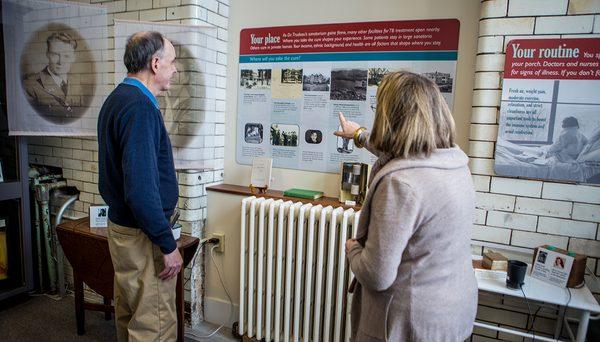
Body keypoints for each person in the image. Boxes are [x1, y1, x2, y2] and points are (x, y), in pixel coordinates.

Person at [335, 71, 477, 341]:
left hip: (408, 322)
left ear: (393, 117)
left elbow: (377, 275)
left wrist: (353, 250)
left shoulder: (401, 184)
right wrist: (359, 135)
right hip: (451, 312)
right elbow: (401, 153)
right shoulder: (454, 164)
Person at [97, 31, 182, 341]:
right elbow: (142, 191)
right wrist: (167, 245)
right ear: (155, 63)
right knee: (154, 326)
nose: (175, 69)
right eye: (172, 62)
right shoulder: (140, 108)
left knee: (131, 312)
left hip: (123, 229)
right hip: (143, 236)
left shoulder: (117, 98)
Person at [23, 32, 82, 120]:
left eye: (66, 56)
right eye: (55, 55)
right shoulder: (30, 85)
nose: (61, 62)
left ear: (73, 57)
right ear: (47, 55)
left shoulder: (76, 82)